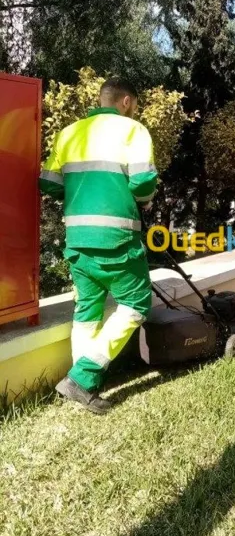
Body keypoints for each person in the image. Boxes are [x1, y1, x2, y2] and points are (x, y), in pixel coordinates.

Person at [39, 78, 157, 414]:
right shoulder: (132, 130)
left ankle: (83, 382)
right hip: (115, 237)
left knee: (87, 308)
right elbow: (144, 181)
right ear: (125, 101)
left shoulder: (69, 133)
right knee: (136, 303)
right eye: (133, 104)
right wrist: (143, 201)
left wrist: (77, 194)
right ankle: (82, 377)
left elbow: (47, 182)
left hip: (78, 238)